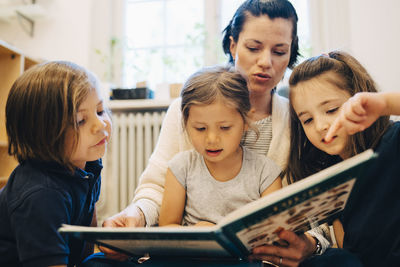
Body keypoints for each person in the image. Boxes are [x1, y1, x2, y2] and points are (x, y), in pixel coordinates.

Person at [99, 0, 329, 265]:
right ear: (233, 45)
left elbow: (317, 205)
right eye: (253, 48)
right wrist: (135, 215)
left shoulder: (298, 119)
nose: (265, 62)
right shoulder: (185, 109)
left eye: (279, 51)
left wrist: (311, 243)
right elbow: (157, 187)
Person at [252, 50, 399, 266]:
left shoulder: (393, 141)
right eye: (308, 120)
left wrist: (384, 104)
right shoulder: (331, 180)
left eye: (331, 110)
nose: (321, 126)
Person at [0, 61, 112, 267]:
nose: (101, 124)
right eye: (80, 121)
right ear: (43, 134)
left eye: (100, 110)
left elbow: (87, 229)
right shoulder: (41, 193)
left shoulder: (89, 163)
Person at [159, 66, 282, 227]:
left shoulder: (266, 173)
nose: (211, 139)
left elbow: (275, 229)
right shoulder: (181, 168)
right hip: (194, 251)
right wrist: (196, 233)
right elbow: (167, 227)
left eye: (224, 128)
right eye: (200, 128)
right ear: (186, 123)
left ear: (246, 121)